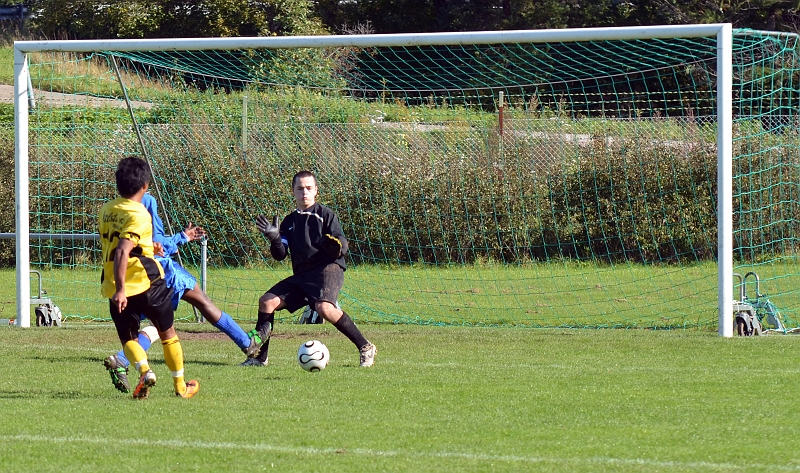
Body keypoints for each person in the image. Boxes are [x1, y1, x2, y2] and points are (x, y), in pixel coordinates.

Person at [103, 191, 264, 393]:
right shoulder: (147, 201)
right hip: (158, 271)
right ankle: (246, 343)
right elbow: (157, 243)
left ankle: (122, 359)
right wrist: (182, 237)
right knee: (201, 303)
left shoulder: (111, 208)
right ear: (143, 183)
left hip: (127, 278)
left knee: (154, 327)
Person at [241, 170, 376, 367]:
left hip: (327, 269)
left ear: (316, 191)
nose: (304, 192)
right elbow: (280, 255)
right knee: (266, 302)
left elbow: (342, 243)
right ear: (293, 191)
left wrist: (337, 246)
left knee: (324, 308)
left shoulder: (326, 215)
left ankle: (365, 347)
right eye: (300, 188)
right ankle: (260, 358)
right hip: (302, 275)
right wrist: (275, 239)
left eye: (308, 188)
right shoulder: (289, 222)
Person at [99, 156, 199, 399]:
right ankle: (180, 387)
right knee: (168, 335)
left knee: (128, 339)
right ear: (145, 186)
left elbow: (124, 245)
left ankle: (144, 371)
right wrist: (123, 289)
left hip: (112, 284)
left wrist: (147, 247)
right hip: (146, 284)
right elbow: (123, 250)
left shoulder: (107, 209)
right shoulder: (141, 213)